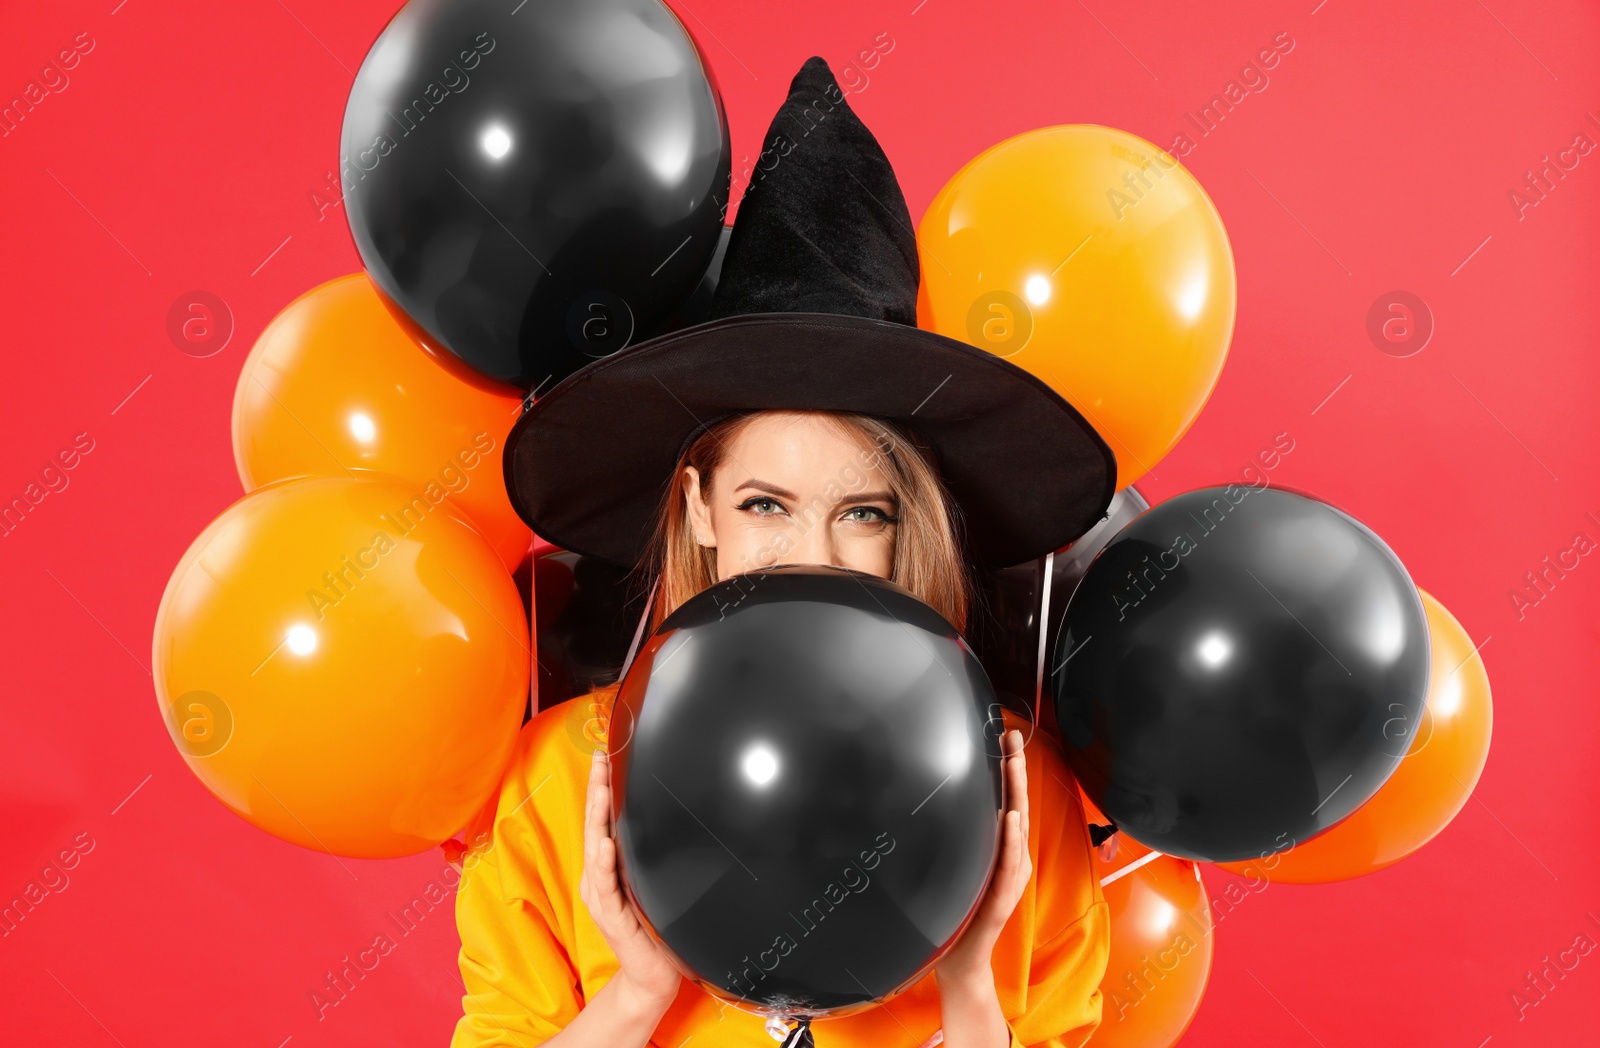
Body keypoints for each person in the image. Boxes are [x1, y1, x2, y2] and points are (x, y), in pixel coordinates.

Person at [451, 56, 1117, 1048]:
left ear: (915, 527)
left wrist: (972, 988)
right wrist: (635, 994)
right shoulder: (567, 781)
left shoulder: (1021, 798)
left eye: (865, 513)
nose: (813, 555)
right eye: (767, 502)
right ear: (701, 507)